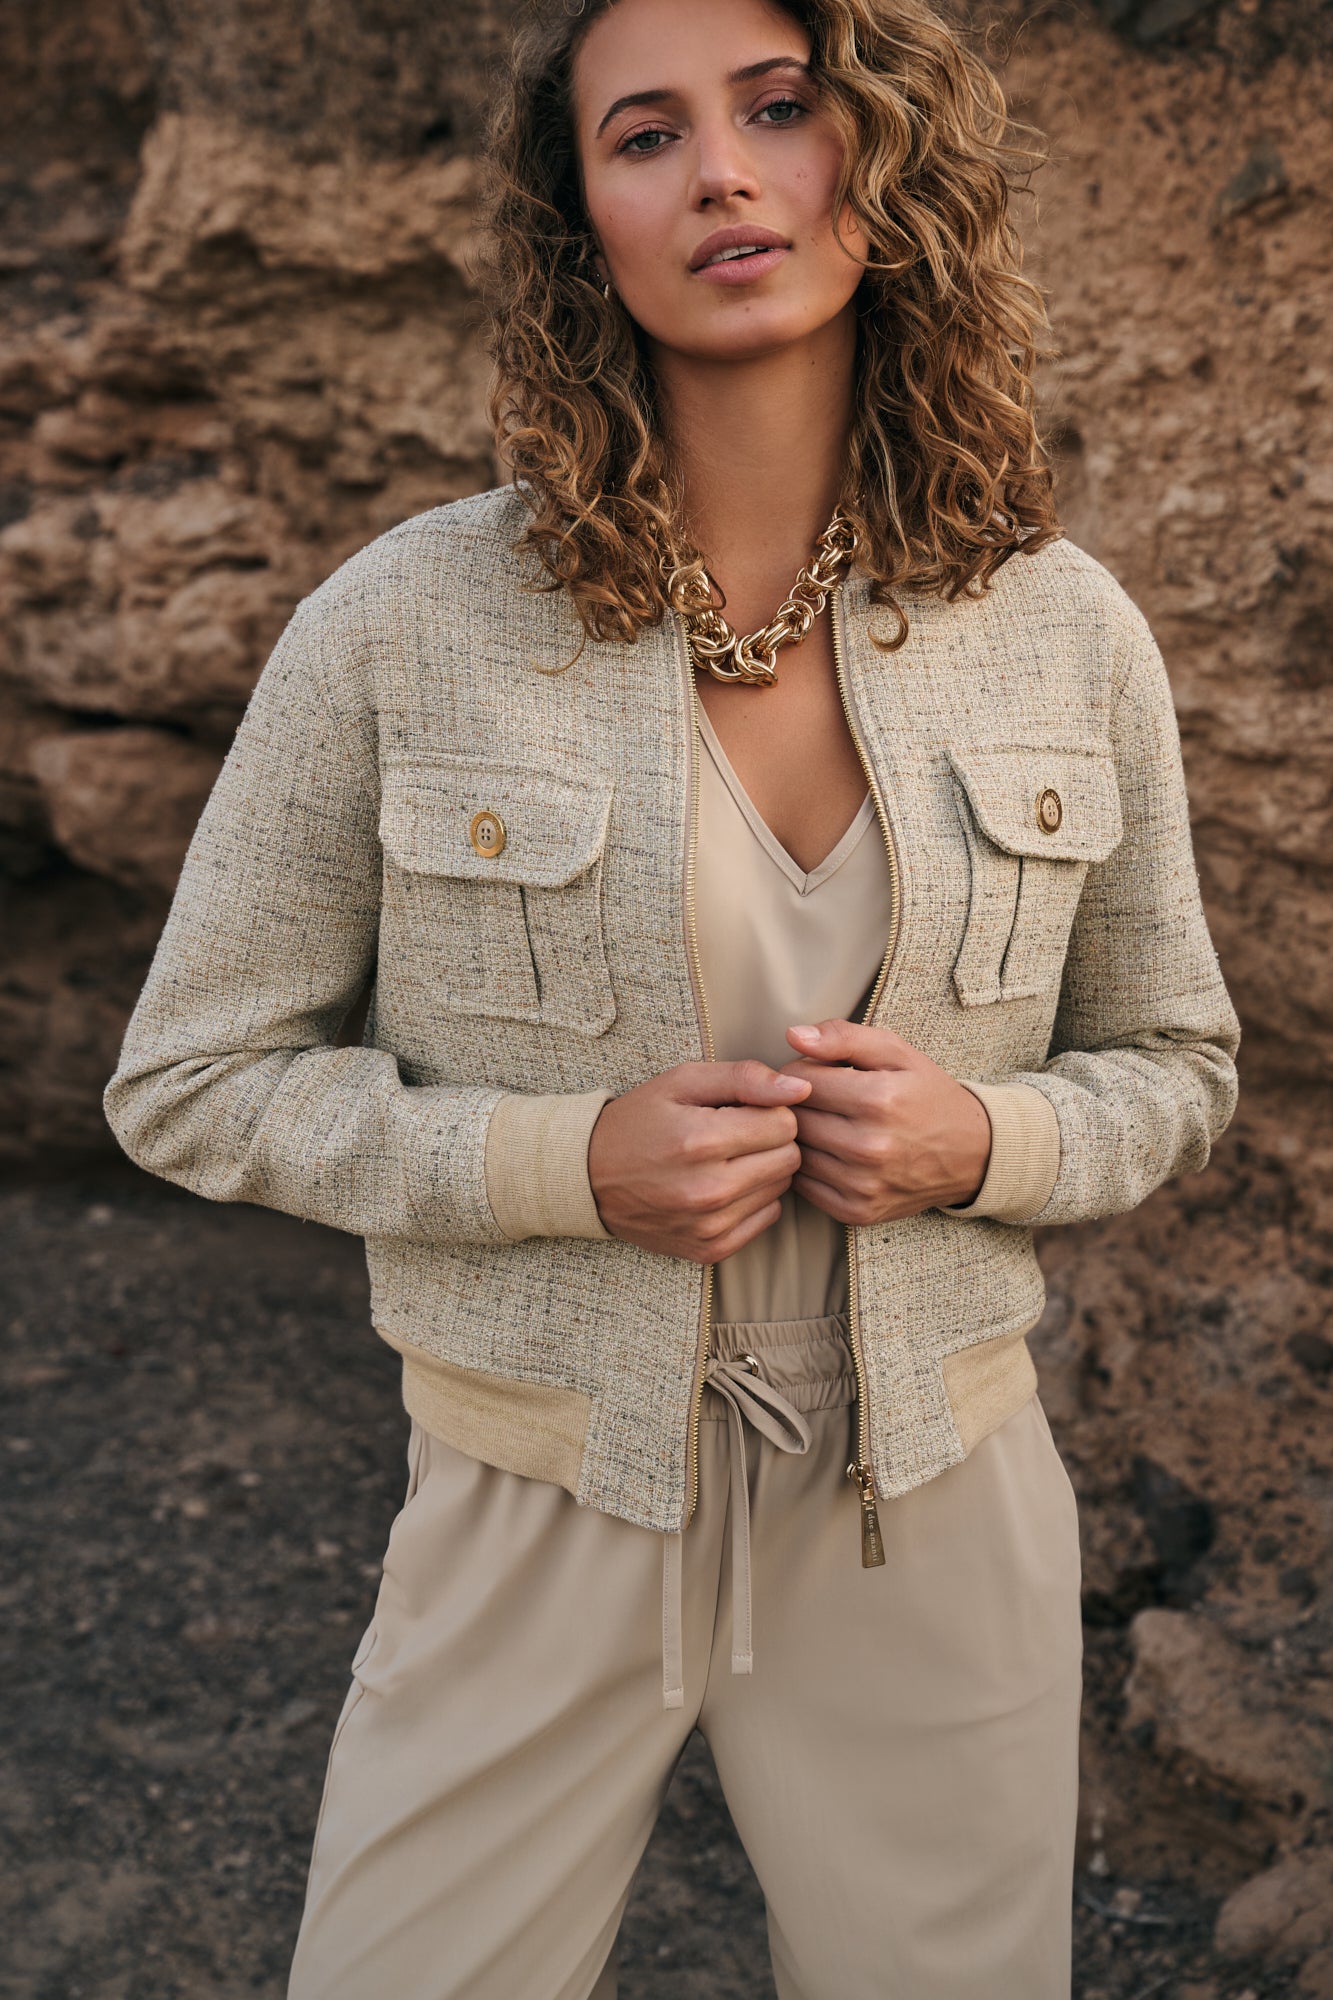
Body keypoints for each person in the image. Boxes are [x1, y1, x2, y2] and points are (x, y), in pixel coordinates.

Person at [103, 0, 1240, 1993]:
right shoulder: (405, 624)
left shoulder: (1064, 632)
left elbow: (1175, 1062)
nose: (719, 170)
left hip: (930, 1500)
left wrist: (985, 1138)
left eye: (777, 107)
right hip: (537, 1484)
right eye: (643, 135)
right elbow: (190, 1079)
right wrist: (562, 1163)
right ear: (583, 222)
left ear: (876, 164)